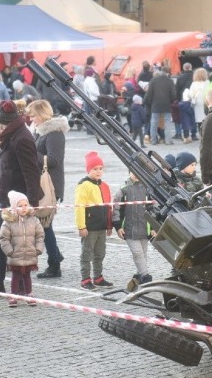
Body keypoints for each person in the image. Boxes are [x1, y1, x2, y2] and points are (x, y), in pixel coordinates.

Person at [0, 100, 42, 293]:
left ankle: (4, 283)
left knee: (4, 240)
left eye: (1, 123)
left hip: (19, 199)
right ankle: (4, 283)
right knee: (4, 240)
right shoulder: (12, 134)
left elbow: (31, 173)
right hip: (8, 196)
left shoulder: (22, 138)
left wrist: (32, 204)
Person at [27, 99, 68, 279]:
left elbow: (53, 160)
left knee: (45, 225)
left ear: (42, 114)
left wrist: (31, 152)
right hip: (42, 184)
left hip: (50, 185)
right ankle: (55, 256)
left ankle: (54, 263)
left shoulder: (54, 133)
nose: (32, 119)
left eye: (34, 115)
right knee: (44, 225)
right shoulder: (41, 131)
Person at [75, 151, 114, 291]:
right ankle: (85, 279)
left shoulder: (104, 186)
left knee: (100, 253)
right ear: (89, 170)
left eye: (100, 168)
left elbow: (109, 206)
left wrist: (109, 224)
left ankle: (98, 277)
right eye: (95, 169)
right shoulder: (83, 185)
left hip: (101, 226)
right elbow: (79, 207)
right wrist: (81, 226)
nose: (98, 172)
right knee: (87, 253)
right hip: (90, 227)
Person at [0, 190, 44, 308]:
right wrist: (9, 251)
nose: (24, 208)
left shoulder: (34, 220)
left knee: (27, 275)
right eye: (20, 206)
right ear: (14, 208)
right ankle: (13, 295)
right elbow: (3, 238)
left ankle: (29, 294)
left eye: (26, 205)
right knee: (16, 275)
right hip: (16, 254)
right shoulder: (8, 222)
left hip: (30, 253)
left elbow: (40, 235)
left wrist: (38, 248)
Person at [112, 172, 152, 285]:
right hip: (129, 229)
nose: (136, 174)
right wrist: (118, 226)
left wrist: (154, 227)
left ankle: (139, 276)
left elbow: (154, 208)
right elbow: (116, 208)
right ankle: (146, 276)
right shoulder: (123, 189)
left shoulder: (147, 189)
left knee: (143, 254)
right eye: (133, 172)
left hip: (145, 228)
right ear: (129, 172)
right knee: (137, 253)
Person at [145, 69, 176, 145]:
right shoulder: (170, 81)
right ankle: (168, 140)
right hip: (166, 105)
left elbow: (149, 94)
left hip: (155, 105)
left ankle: (153, 140)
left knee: (154, 123)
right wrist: (171, 101)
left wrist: (151, 102)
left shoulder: (153, 81)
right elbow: (173, 95)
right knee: (167, 122)